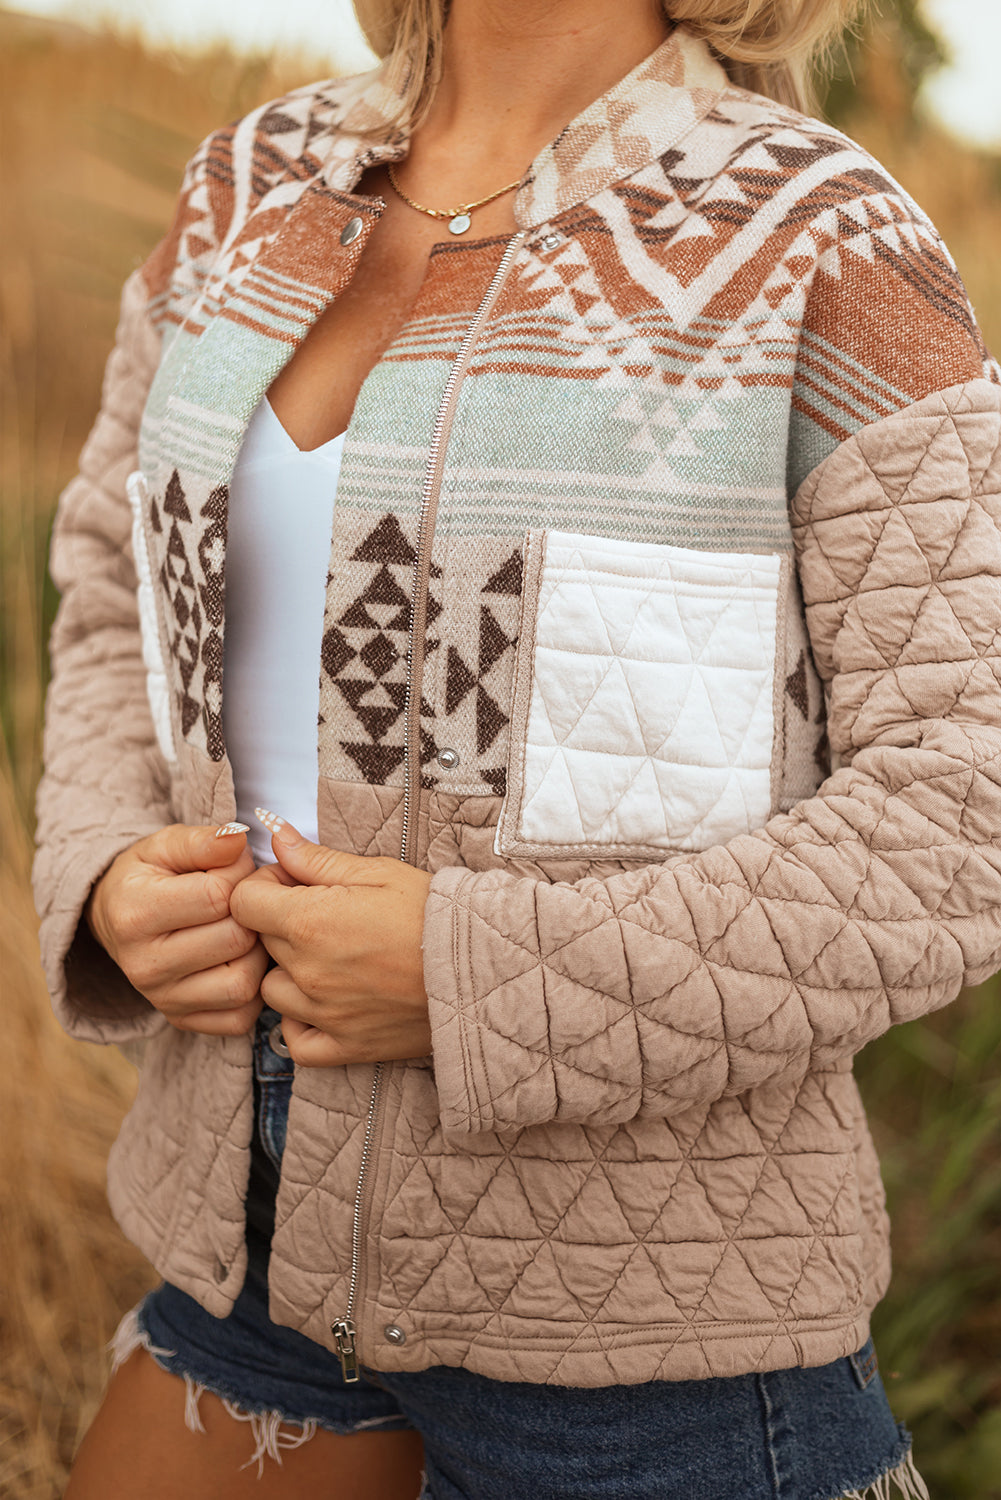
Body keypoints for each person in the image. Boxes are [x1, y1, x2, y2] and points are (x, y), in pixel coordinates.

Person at [32, 0, 1000, 1494]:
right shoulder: (250, 184)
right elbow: (111, 583)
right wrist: (104, 880)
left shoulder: (826, 237)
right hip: (245, 1238)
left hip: (648, 1334)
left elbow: (963, 811)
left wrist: (471, 978)